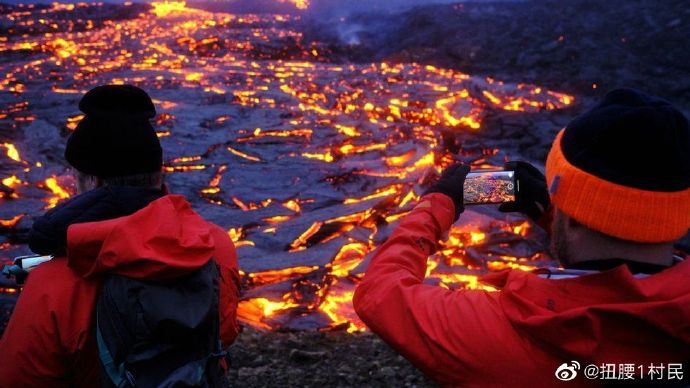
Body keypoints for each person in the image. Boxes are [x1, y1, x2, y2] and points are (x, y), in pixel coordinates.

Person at [353, 88, 690, 386]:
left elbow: (379, 293)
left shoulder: (499, 333)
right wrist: (551, 215)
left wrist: (440, 202)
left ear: (570, 210)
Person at [0, 85, 241, 387]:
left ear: (92, 181)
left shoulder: (52, 284)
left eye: (74, 177)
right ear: (158, 174)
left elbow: (16, 378)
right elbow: (224, 335)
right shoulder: (216, 247)